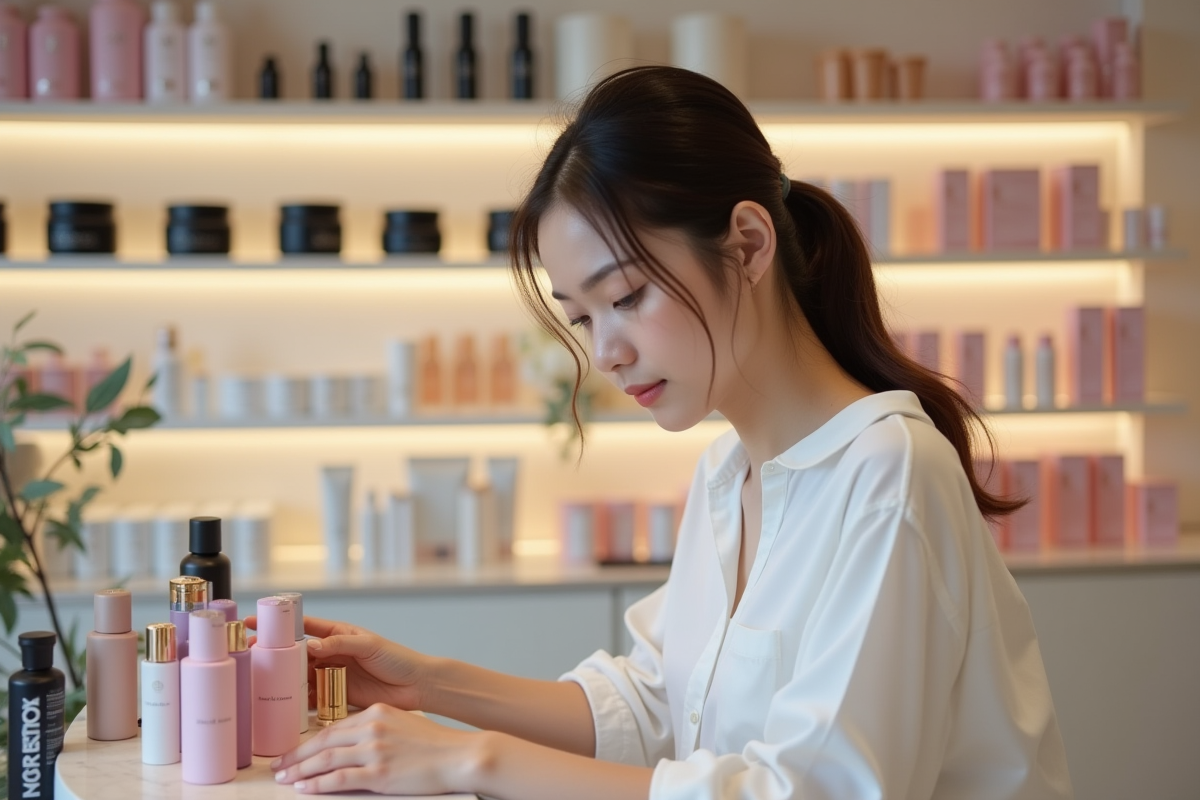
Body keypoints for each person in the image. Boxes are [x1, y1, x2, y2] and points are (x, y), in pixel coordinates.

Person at [259, 66, 1073, 799]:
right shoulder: (729, 476)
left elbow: (812, 792)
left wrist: (467, 760)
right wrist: (424, 683)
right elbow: (660, 702)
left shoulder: (889, 472)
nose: (606, 353)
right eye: (581, 317)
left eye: (625, 297)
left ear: (747, 244)